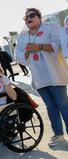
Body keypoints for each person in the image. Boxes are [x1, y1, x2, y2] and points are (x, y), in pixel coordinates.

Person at [15, 8, 68, 147]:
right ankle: (58, 135)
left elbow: (59, 45)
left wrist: (39, 46)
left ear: (39, 17)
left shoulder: (51, 27)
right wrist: (26, 52)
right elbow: (18, 56)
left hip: (55, 74)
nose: (28, 18)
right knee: (50, 107)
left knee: (63, 104)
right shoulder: (22, 37)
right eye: (25, 17)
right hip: (39, 79)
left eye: (32, 15)